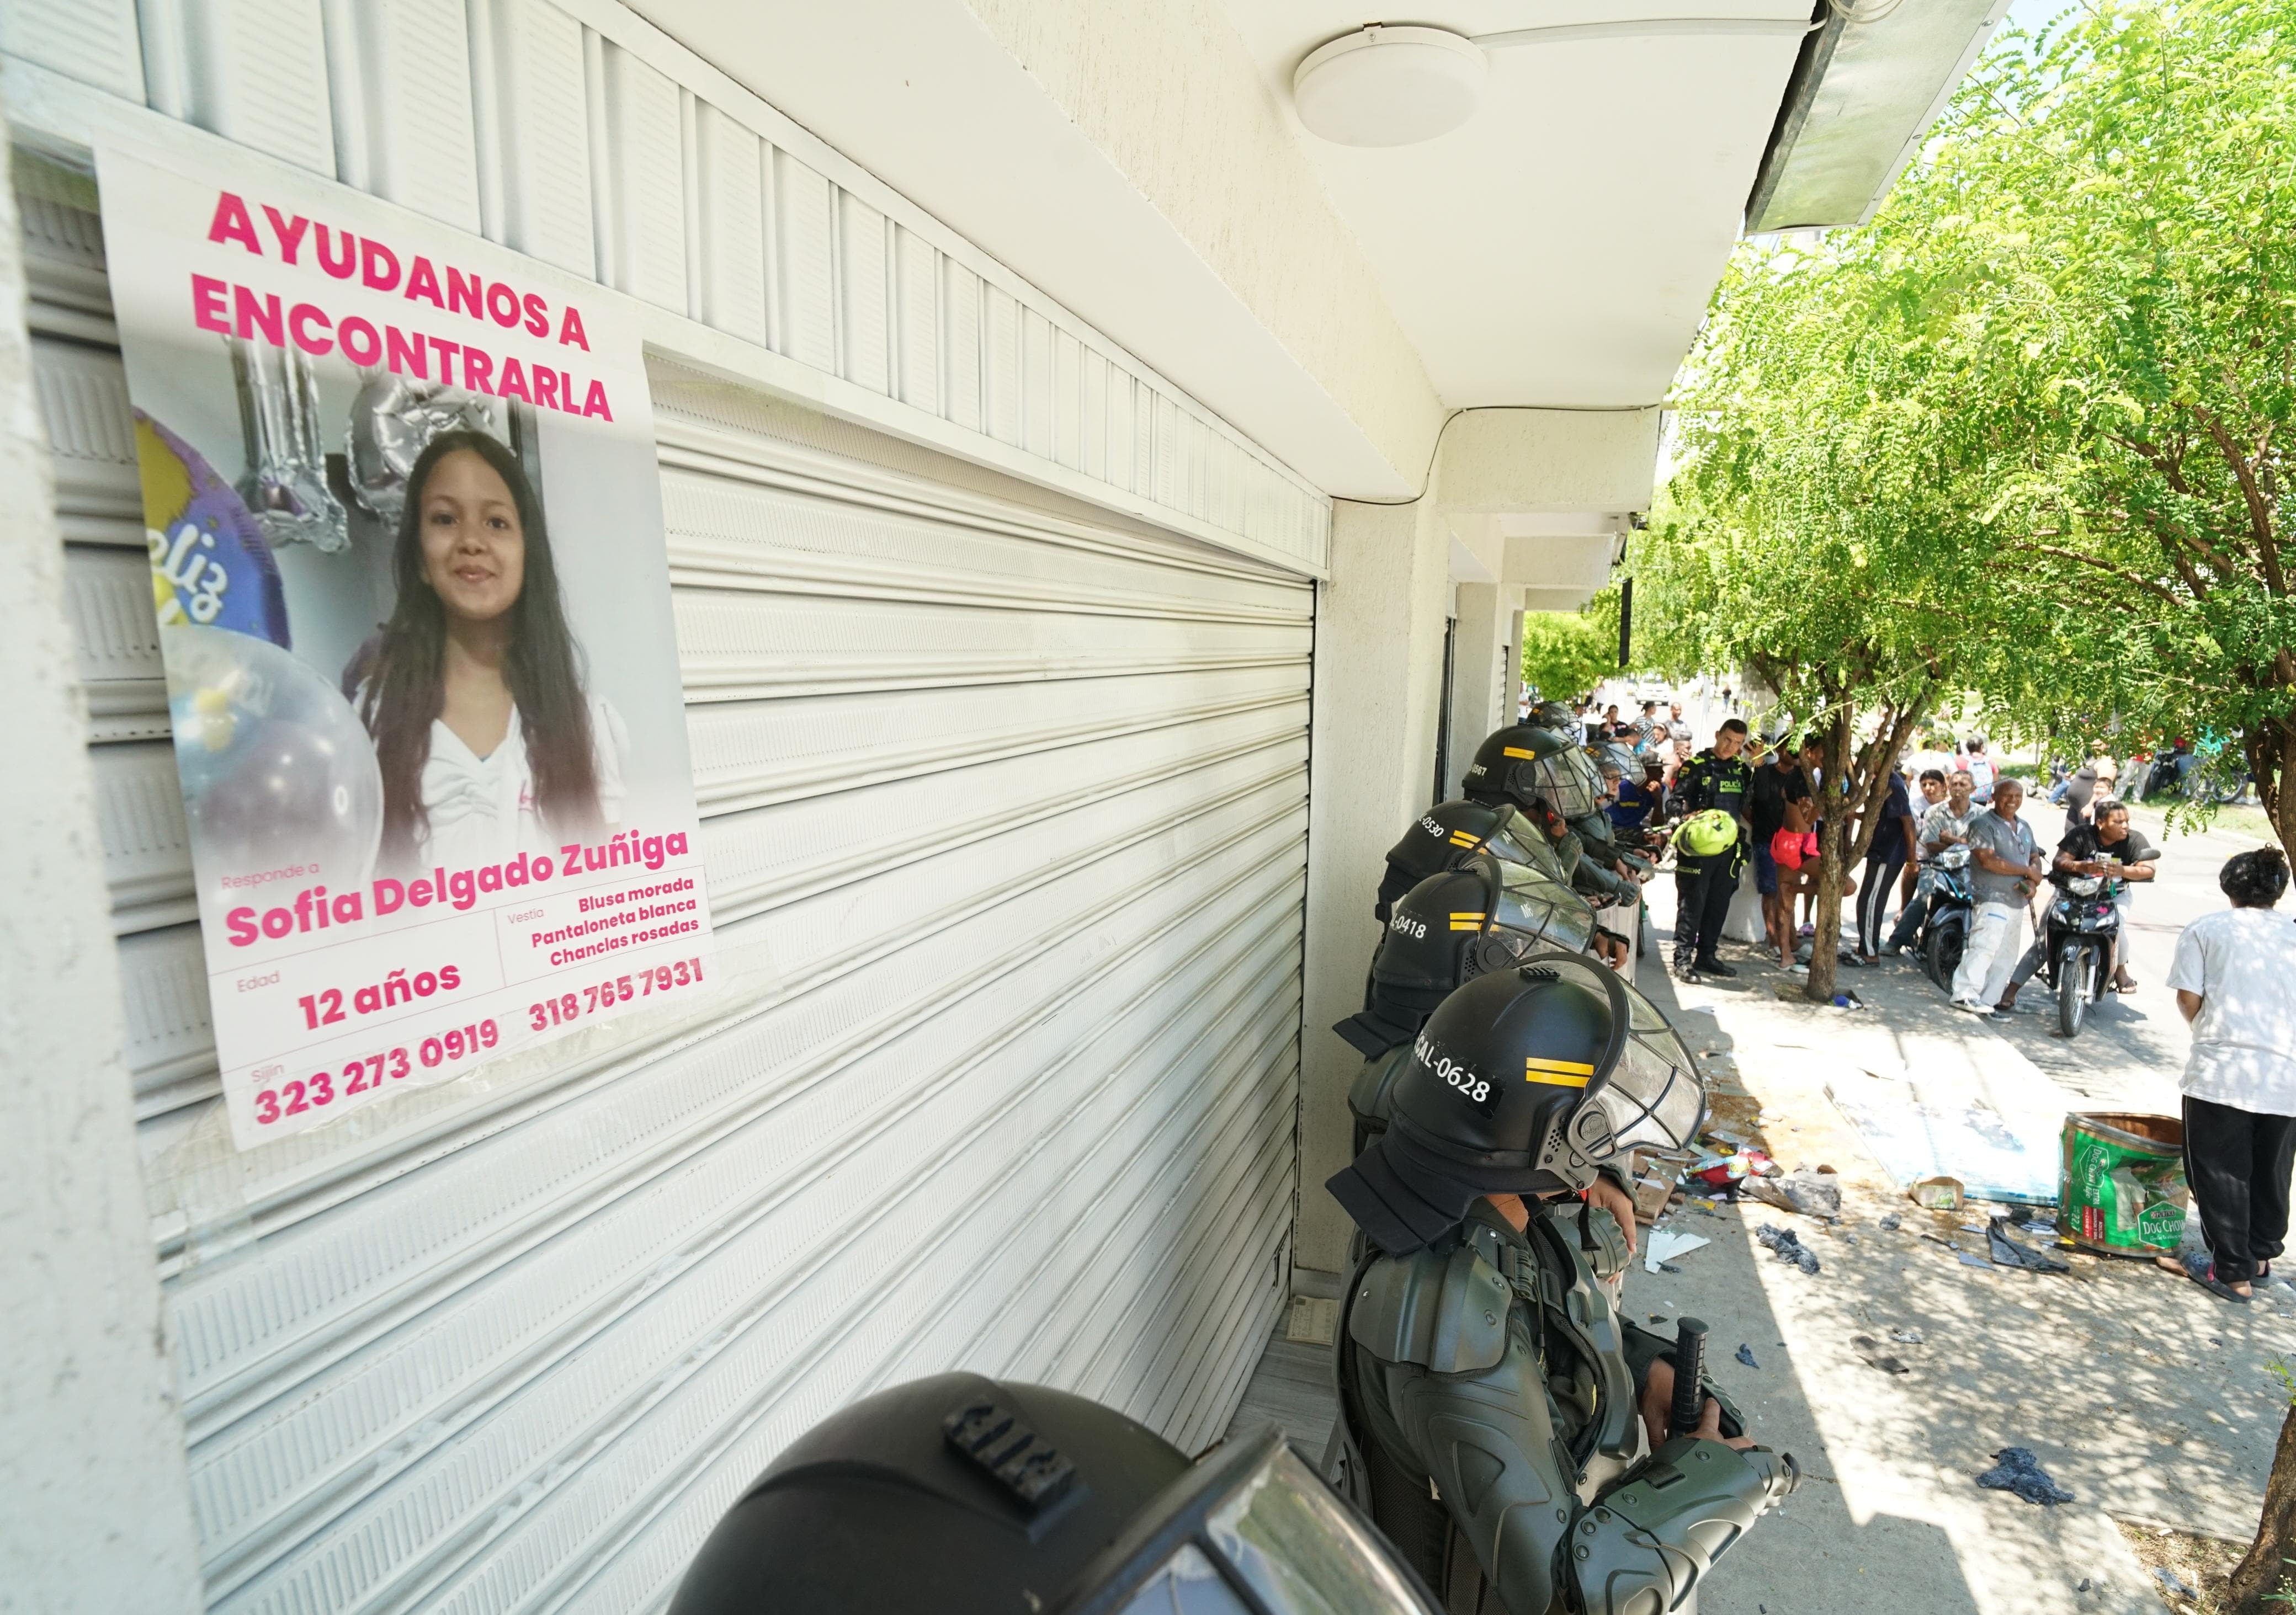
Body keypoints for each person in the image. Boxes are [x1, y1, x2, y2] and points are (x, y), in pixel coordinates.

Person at [1327, 960, 1797, 1612]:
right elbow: (1575, 1590)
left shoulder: (1474, 1210)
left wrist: (1643, 1364)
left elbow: (1539, 1315)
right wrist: (1726, 1476)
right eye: (1592, 1110)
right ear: (1549, 1134)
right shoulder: (1441, 1305)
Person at [357, 430, 626, 871]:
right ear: (420, 559)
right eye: (445, 519)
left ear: (527, 553)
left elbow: (609, 892)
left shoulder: (584, 724)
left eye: (496, 522)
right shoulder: (372, 719)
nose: (472, 541)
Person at [2160, 848, 2296, 1303]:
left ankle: (2231, 1273)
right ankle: (2257, 1258)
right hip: (2286, 1076)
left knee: (2220, 1172)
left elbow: (2188, 999)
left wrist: (2206, 1030)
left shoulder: (2207, 929)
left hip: (2222, 1073)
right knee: (2272, 1171)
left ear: (2229, 887)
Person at [1997, 799, 2160, 1010]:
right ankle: (2012, 990)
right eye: (2119, 822)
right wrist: (2080, 866)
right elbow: (2059, 862)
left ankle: (2120, 970)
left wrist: (2123, 871)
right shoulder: (2081, 834)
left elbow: (2149, 869)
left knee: (2117, 928)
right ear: (2101, 823)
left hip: (2113, 897)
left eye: (2127, 821)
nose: (2126, 826)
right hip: (2070, 894)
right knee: (2044, 938)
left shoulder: (2134, 839)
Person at [1948, 778, 2044, 1015]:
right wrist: (2026, 872)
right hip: (1992, 898)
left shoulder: (2024, 826)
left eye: (2017, 796)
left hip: (2016, 902)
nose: (2012, 800)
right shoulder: (1982, 824)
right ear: (1994, 796)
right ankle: (1964, 994)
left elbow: (2034, 857)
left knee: (2006, 955)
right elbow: (1988, 860)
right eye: (2007, 795)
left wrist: (2033, 880)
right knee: (1985, 946)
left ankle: (1988, 1002)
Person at [1670, 719, 1756, 979]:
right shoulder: (1696, 766)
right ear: (1718, 735)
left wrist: (1760, 762)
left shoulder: (1742, 770)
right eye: (1728, 739)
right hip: (1698, 848)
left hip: (1728, 850)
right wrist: (1684, 819)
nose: (1732, 746)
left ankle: (1707, 956)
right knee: (1692, 902)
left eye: (1739, 743)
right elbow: (1675, 802)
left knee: (1718, 904)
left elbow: (1751, 802)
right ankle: (1682, 960)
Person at [1884, 769, 1975, 957]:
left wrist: (1951, 840)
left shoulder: (1981, 815)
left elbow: (1983, 846)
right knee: (1925, 896)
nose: (1958, 788)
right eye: (1955, 784)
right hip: (1935, 866)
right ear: (1949, 787)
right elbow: (1932, 844)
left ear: (1973, 788)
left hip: (1969, 869)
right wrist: (1966, 843)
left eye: (1963, 785)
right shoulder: (1934, 812)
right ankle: (1897, 940)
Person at [1747, 737, 1812, 961]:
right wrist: (1761, 827)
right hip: (1767, 840)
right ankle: (1773, 939)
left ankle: (1790, 939)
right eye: (1790, 748)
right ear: (1780, 750)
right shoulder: (1766, 772)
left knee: (1789, 888)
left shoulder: (1802, 778)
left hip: (1792, 842)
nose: (1794, 753)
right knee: (1771, 891)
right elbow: (1752, 803)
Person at [1853, 763, 1918, 964]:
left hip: (1888, 854)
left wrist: (1911, 859)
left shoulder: (1894, 785)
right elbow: (1876, 816)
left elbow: (1908, 822)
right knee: (1866, 900)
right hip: (1879, 851)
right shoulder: (1879, 783)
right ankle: (1866, 946)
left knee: (1871, 902)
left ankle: (1870, 953)